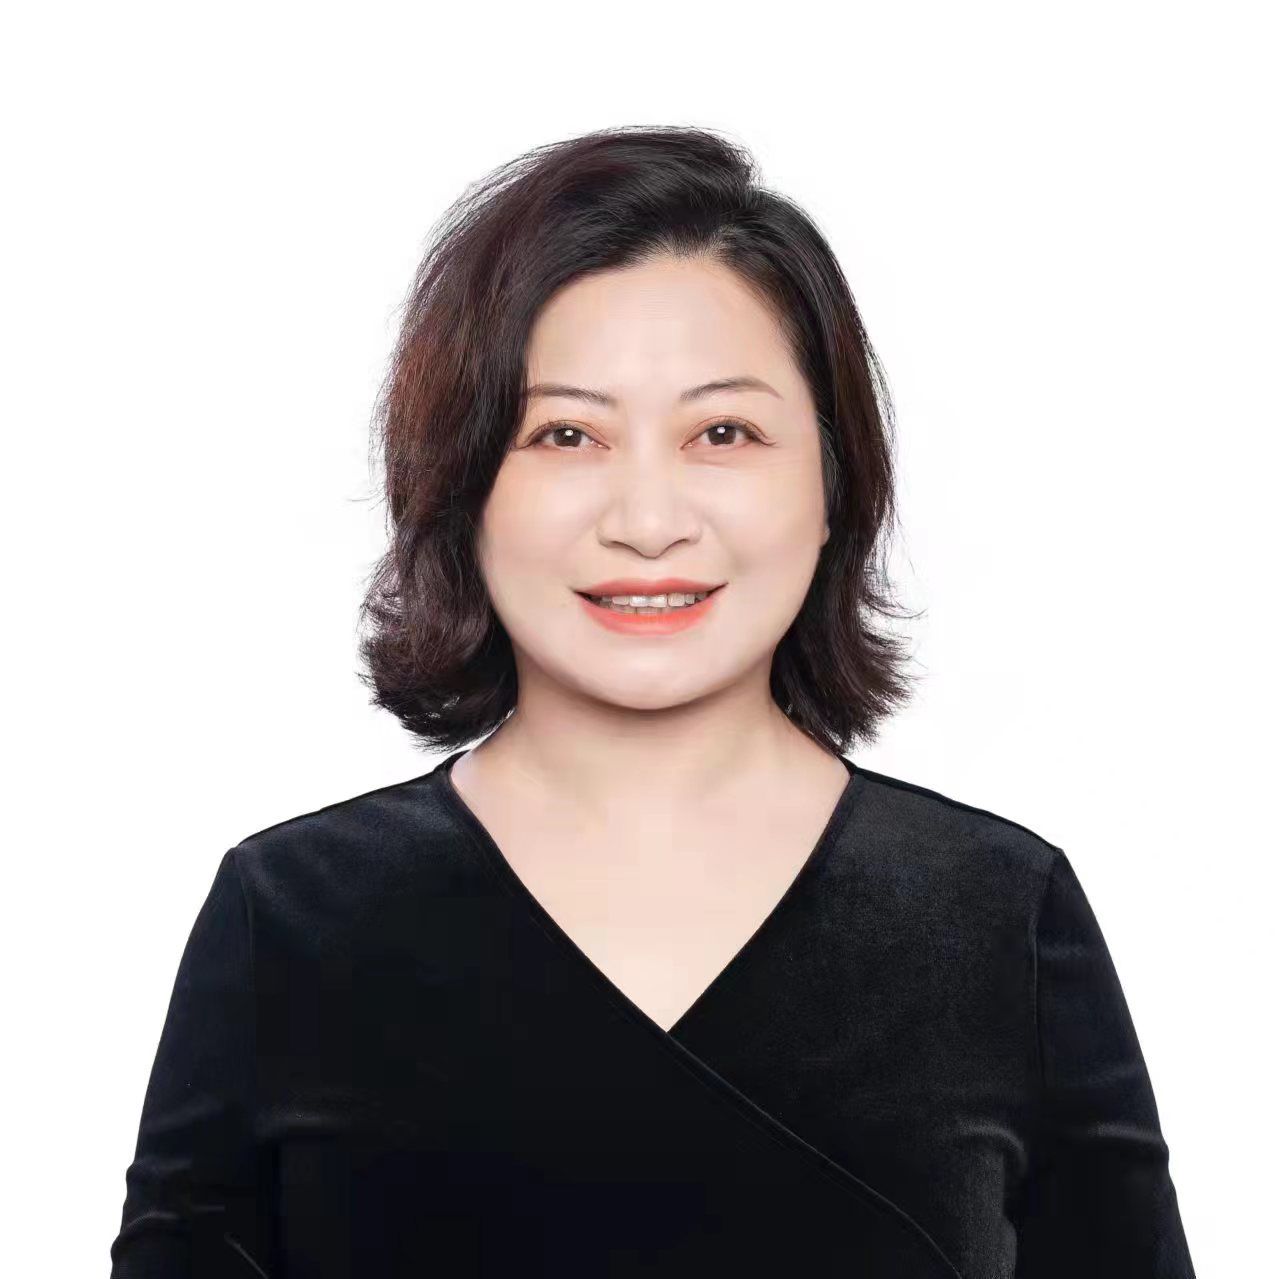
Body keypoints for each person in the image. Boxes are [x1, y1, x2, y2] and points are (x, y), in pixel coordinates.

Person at [109, 126, 1197, 1277]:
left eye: (721, 432)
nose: (645, 519)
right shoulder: (290, 919)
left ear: (832, 482)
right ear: (463, 483)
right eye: (564, 433)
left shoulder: (997, 915)